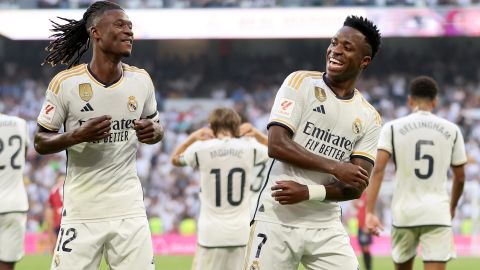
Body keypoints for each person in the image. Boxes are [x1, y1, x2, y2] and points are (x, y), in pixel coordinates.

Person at [244, 15, 382, 270]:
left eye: (347, 47)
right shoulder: (300, 83)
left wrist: (309, 192)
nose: (336, 50)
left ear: (365, 61)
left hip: (326, 225)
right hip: (277, 217)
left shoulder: (369, 116)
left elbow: (356, 186)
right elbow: (277, 144)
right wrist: (336, 167)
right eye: (334, 42)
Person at [35, 1, 164, 269]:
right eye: (120, 25)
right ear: (96, 32)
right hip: (82, 209)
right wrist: (76, 135)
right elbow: (40, 141)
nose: (128, 31)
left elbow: (156, 127)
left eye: (130, 26)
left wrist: (154, 132)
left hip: (129, 209)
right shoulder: (66, 83)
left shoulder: (141, 81)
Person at [366, 76, 467, 270]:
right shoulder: (452, 130)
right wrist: (452, 206)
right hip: (438, 212)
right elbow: (460, 177)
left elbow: (378, 169)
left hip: (404, 212)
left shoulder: (392, 128)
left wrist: (370, 212)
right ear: (435, 101)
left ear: (410, 100)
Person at [171, 108, 269, 270]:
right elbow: (276, 152)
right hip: (241, 232)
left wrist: (193, 138)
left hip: (210, 234)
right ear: (237, 126)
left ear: (211, 126)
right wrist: (257, 134)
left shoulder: (202, 148)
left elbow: (175, 159)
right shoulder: (249, 146)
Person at [0, 114, 29, 270]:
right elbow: (23, 155)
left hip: (14, 203)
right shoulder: (20, 123)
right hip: (15, 204)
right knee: (7, 264)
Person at [44, 173, 65, 253]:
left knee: (58, 248)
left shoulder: (54, 190)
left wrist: (49, 225)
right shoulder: (71, 187)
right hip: (70, 220)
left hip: (59, 222)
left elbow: (49, 209)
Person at [354, 192, 372, 270]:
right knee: (362, 249)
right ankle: (366, 267)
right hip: (360, 226)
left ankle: (369, 268)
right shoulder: (360, 196)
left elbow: (370, 211)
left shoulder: (368, 197)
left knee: (366, 248)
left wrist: (366, 225)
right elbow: (357, 207)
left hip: (365, 226)